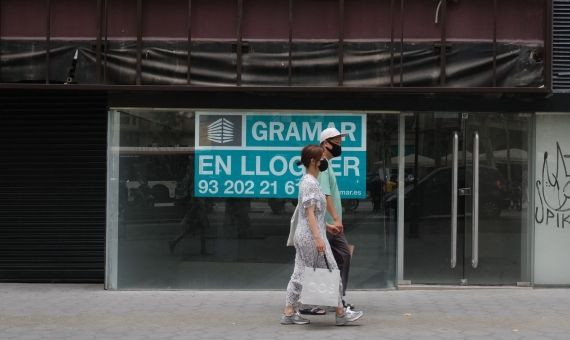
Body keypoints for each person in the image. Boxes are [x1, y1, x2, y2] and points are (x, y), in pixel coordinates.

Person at [281, 145, 363, 326]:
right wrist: (319, 238)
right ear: (313, 161)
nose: (324, 161)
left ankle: (289, 312)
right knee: (332, 271)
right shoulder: (310, 182)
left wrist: (327, 226)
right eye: (322, 159)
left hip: (307, 235)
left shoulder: (310, 180)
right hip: (311, 237)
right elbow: (309, 213)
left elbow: (311, 215)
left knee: (299, 274)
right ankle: (341, 313)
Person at [317, 127, 359, 312]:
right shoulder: (322, 164)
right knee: (331, 261)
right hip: (328, 225)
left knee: (342, 257)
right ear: (325, 143)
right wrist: (335, 219)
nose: (339, 146)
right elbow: (326, 195)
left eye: (340, 142)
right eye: (337, 142)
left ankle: (337, 299)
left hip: (332, 225)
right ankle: (331, 301)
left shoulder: (327, 163)